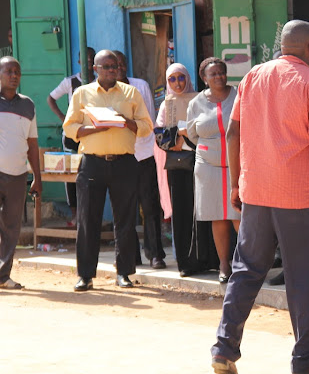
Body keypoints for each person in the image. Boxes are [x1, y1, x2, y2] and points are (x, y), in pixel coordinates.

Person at [211, 20, 309, 374]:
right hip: (297, 196)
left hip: (256, 191)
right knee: (302, 276)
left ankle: (224, 349)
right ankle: (305, 358)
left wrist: (235, 184)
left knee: (245, 270)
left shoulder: (253, 76)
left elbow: (232, 131)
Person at [63, 50, 153, 291]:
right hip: (92, 162)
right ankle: (85, 275)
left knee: (124, 221)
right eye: (107, 66)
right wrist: (96, 128)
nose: (113, 70)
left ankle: (124, 273)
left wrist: (125, 122)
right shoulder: (82, 93)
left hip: (124, 162)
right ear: (95, 68)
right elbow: (70, 128)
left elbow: (146, 127)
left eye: (116, 66)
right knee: (87, 220)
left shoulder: (131, 93)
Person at [187, 57, 240, 283]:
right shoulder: (196, 103)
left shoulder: (239, 95)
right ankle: (224, 265)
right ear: (204, 78)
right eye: (213, 74)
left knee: (240, 216)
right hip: (207, 167)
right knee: (218, 216)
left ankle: (248, 264)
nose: (219, 77)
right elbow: (192, 133)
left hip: (238, 165)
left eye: (222, 72)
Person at [113, 51, 166, 269]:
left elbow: (150, 121)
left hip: (144, 154)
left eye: (121, 64)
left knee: (150, 206)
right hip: (119, 155)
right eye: (113, 66)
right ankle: (130, 255)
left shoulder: (140, 86)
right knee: (125, 209)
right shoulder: (104, 94)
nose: (118, 69)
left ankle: (155, 254)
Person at [154, 63, 205, 277]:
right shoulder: (166, 105)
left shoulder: (201, 99)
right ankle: (184, 260)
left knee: (202, 211)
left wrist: (183, 135)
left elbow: (204, 130)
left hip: (201, 162)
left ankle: (203, 259)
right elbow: (160, 137)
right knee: (182, 212)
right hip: (178, 166)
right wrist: (180, 135)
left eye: (181, 77)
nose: (178, 83)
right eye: (172, 79)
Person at [0, 56, 42, 289]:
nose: (14, 75)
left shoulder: (28, 105)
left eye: (17, 72)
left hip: (18, 176)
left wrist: (37, 176)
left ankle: (3, 276)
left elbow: (32, 143)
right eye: (9, 71)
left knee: (11, 227)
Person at [47, 47, 96, 226]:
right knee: (72, 174)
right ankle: (75, 215)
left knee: (91, 172)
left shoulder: (99, 83)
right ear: (79, 61)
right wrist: (64, 118)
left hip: (92, 134)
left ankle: (89, 215)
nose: (89, 62)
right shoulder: (70, 82)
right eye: (85, 58)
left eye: (92, 58)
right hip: (72, 136)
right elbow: (51, 98)